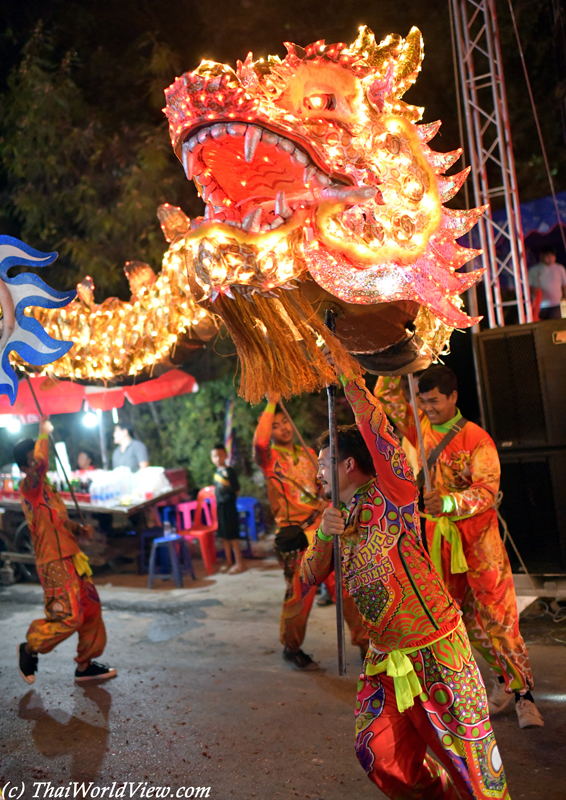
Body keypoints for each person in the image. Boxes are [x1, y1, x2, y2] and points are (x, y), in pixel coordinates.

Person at [301, 369, 511, 799]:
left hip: (437, 647)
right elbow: (306, 578)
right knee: (377, 753)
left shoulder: (392, 495)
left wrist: (348, 377)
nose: (317, 475)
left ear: (348, 464)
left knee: (472, 765)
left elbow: (377, 433)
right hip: (385, 658)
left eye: (323, 465)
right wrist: (324, 532)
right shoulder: (332, 521)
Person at [376, 365, 543, 729]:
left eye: (434, 400)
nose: (429, 407)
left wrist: (449, 503)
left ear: (453, 397)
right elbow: (387, 396)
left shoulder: (477, 439)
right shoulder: (418, 427)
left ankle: (524, 696)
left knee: (499, 619)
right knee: (459, 620)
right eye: (423, 400)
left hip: (480, 544)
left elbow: (486, 492)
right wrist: (397, 356)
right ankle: (502, 678)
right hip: (438, 545)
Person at [254, 396, 368, 671]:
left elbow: (326, 485)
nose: (283, 428)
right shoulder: (269, 458)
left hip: (323, 527)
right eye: (276, 425)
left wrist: (327, 497)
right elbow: (258, 442)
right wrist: (271, 404)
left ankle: (366, 643)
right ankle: (291, 647)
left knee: (347, 587)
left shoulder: (307, 453)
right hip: (294, 534)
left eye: (285, 423)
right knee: (300, 594)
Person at [15, 419, 117, 684]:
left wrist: (78, 529)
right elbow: (41, 462)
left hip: (72, 557)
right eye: (31, 461)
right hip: (52, 563)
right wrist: (43, 433)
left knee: (91, 609)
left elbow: (58, 522)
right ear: (25, 468)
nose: (36, 463)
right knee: (70, 617)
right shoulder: (30, 488)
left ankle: (85, 665)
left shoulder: (49, 489)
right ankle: (29, 647)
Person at [211, 444, 245, 574]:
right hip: (220, 508)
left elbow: (237, 490)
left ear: (225, 455)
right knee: (224, 536)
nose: (218, 458)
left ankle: (239, 563)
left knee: (232, 536)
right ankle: (229, 562)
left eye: (220, 455)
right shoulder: (217, 473)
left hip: (229, 508)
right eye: (214, 456)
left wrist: (229, 499)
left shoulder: (229, 472)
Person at [528, 247, 566, 320]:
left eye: (552, 255)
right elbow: (528, 287)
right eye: (548, 255)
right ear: (541, 256)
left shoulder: (560, 268)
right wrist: (535, 291)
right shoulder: (533, 270)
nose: (551, 258)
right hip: (540, 306)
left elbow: (564, 286)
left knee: (556, 326)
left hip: (556, 303)